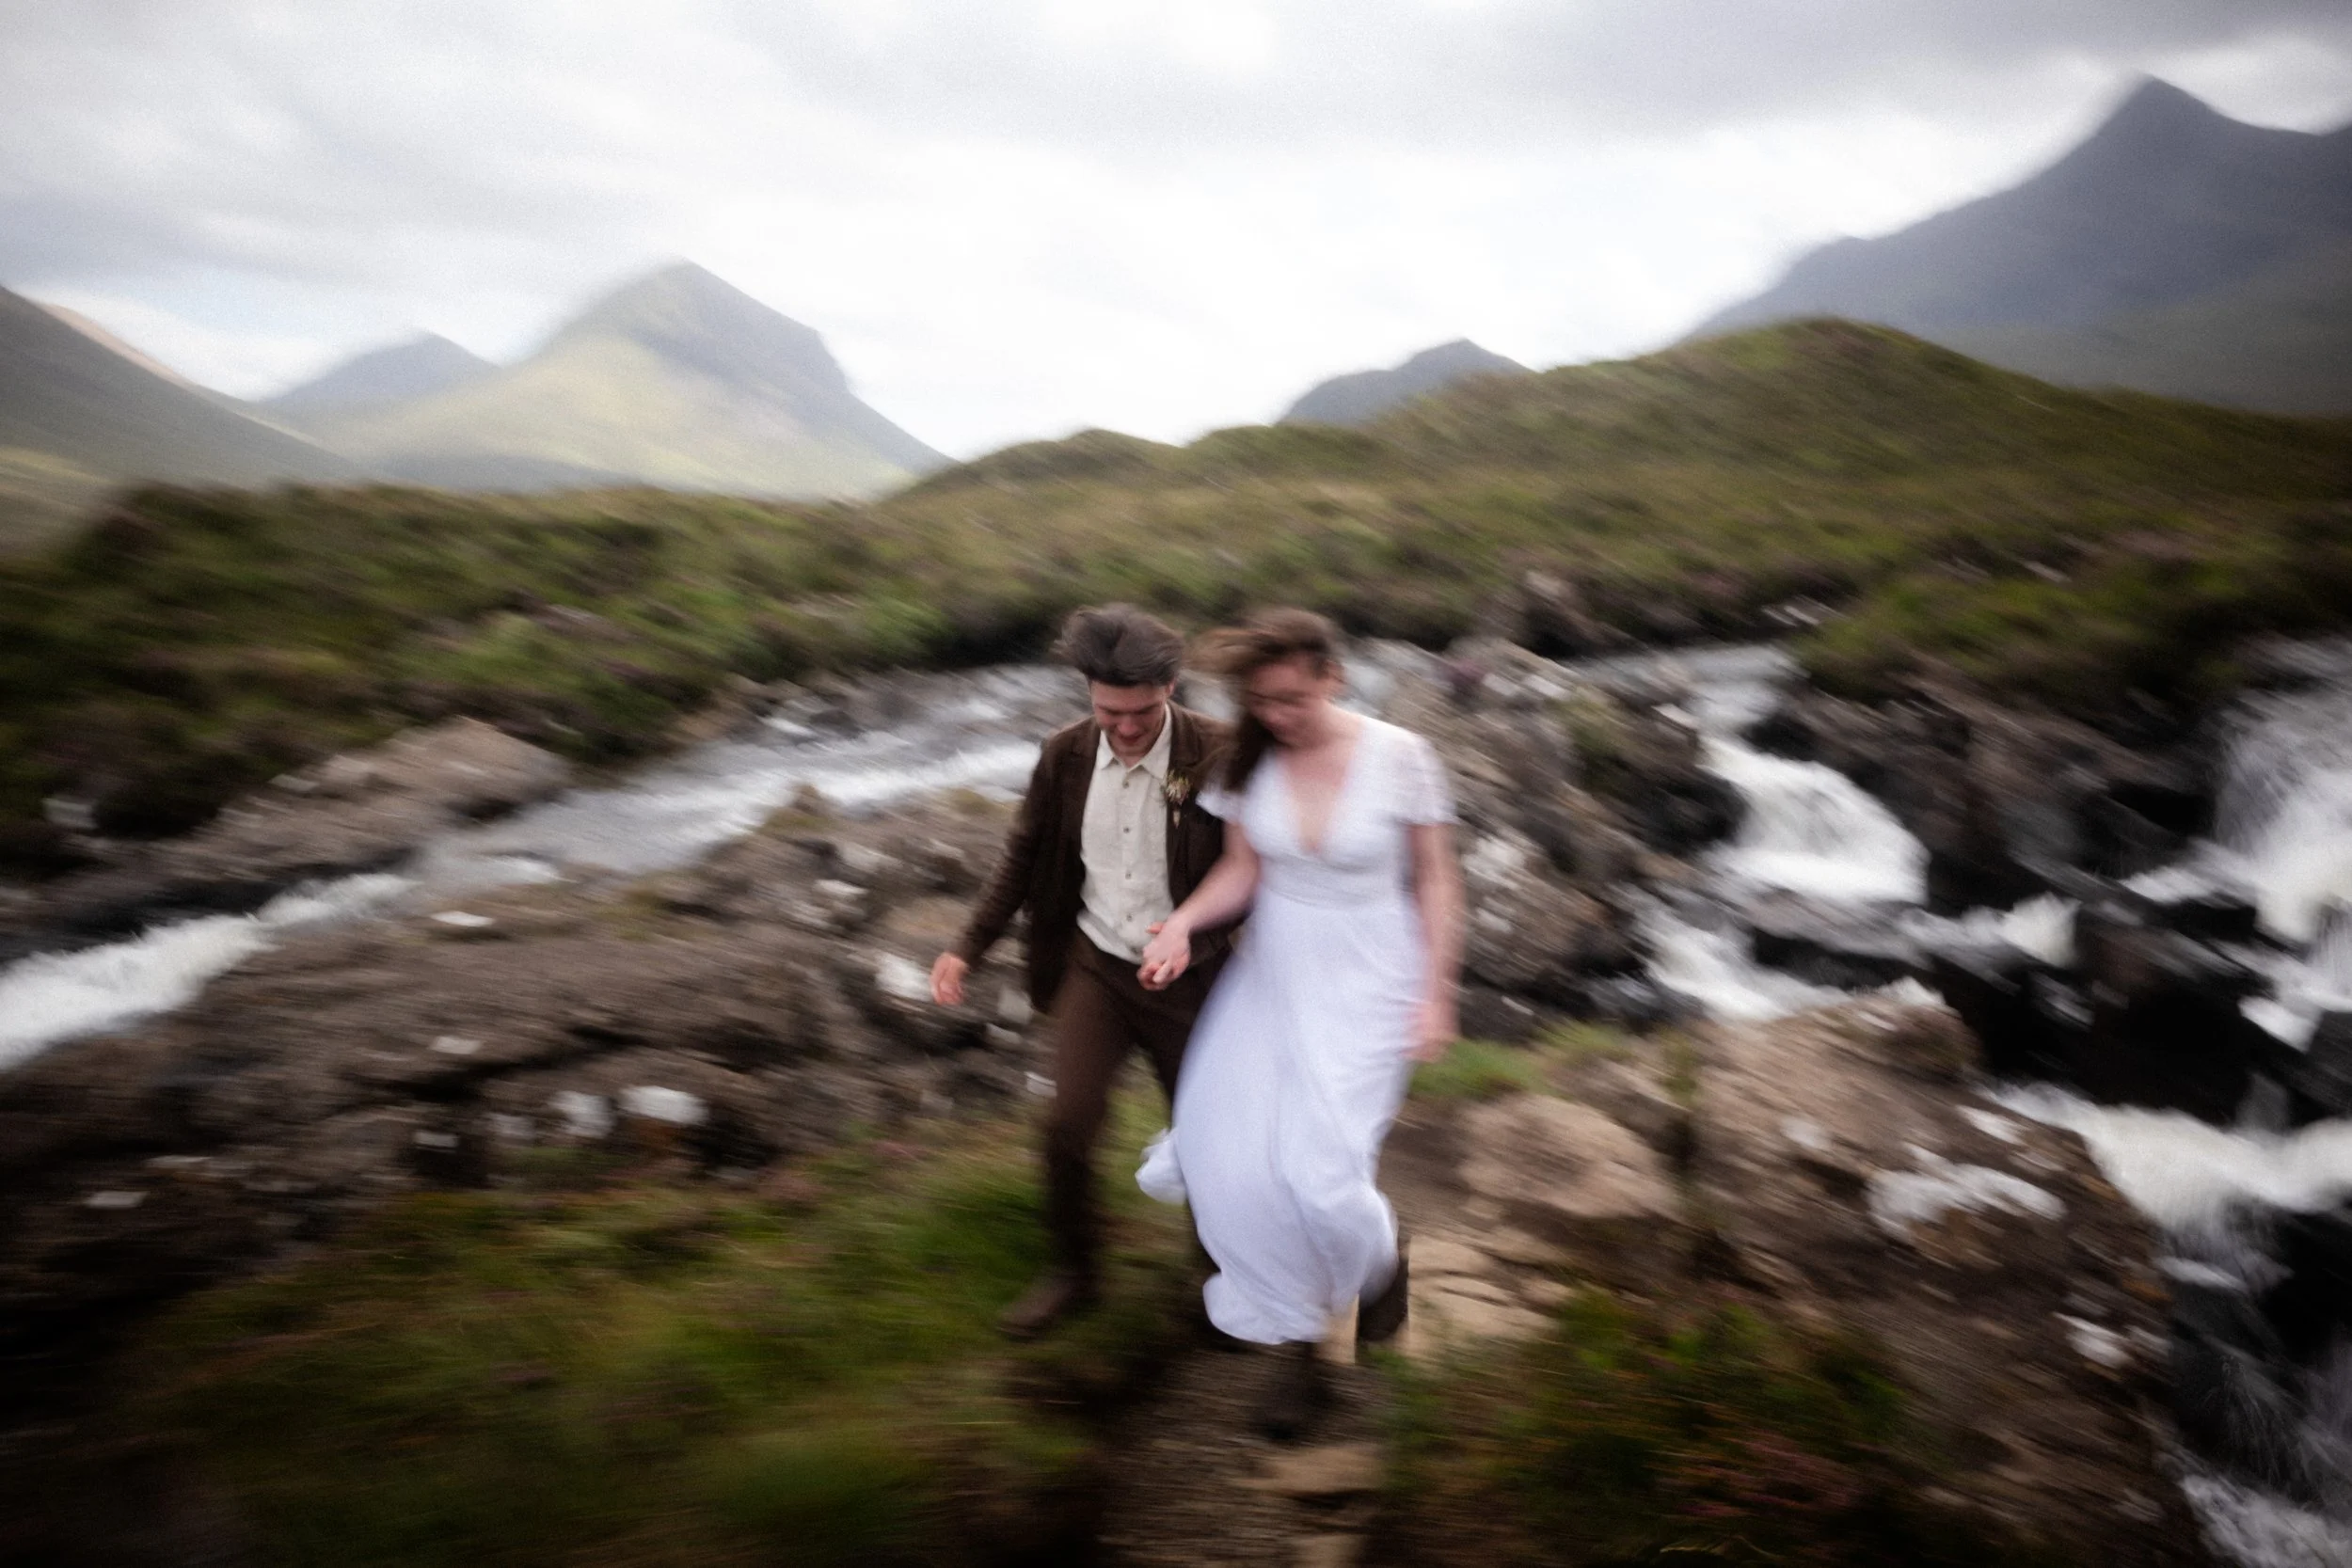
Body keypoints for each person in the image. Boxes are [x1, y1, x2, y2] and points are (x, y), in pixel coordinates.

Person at [1136, 609, 1464, 1438]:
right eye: (1260, 701)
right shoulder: (1248, 760)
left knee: (1319, 1174)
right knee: (1237, 1162)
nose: (1277, 716)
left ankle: (1379, 1262)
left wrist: (1437, 991)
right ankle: (1303, 1344)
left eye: (1292, 698)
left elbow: (1434, 881)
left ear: (1332, 675)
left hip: (1371, 978)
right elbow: (1243, 869)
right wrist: (1181, 924)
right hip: (1272, 978)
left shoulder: (1401, 758)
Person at [932, 604, 1233, 1338]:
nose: (1125, 728)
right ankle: (1075, 1273)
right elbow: (1024, 854)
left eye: (1141, 711)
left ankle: (1221, 1282)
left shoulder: (1218, 752)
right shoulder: (1063, 754)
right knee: (1066, 1126)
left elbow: (1253, 868)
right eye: (1108, 711)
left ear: (1171, 685)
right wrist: (966, 946)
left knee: (1209, 1138)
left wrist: (1201, 933)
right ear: (1086, 692)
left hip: (1194, 982)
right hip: (1097, 968)